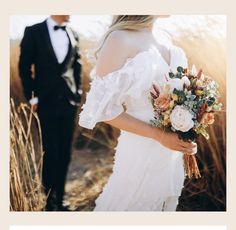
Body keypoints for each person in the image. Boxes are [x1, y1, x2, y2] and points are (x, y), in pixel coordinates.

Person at [79, 15, 197, 211]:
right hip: (141, 147)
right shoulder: (120, 38)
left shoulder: (165, 38)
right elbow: (104, 109)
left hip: (170, 152)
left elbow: (182, 99)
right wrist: (159, 135)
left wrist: (187, 134)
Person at [19, 15, 82, 211]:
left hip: (68, 102)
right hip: (44, 102)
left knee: (64, 152)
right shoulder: (33, 31)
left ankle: (61, 198)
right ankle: (50, 201)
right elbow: (24, 67)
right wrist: (32, 97)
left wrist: (78, 92)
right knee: (50, 152)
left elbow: (76, 66)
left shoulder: (74, 34)